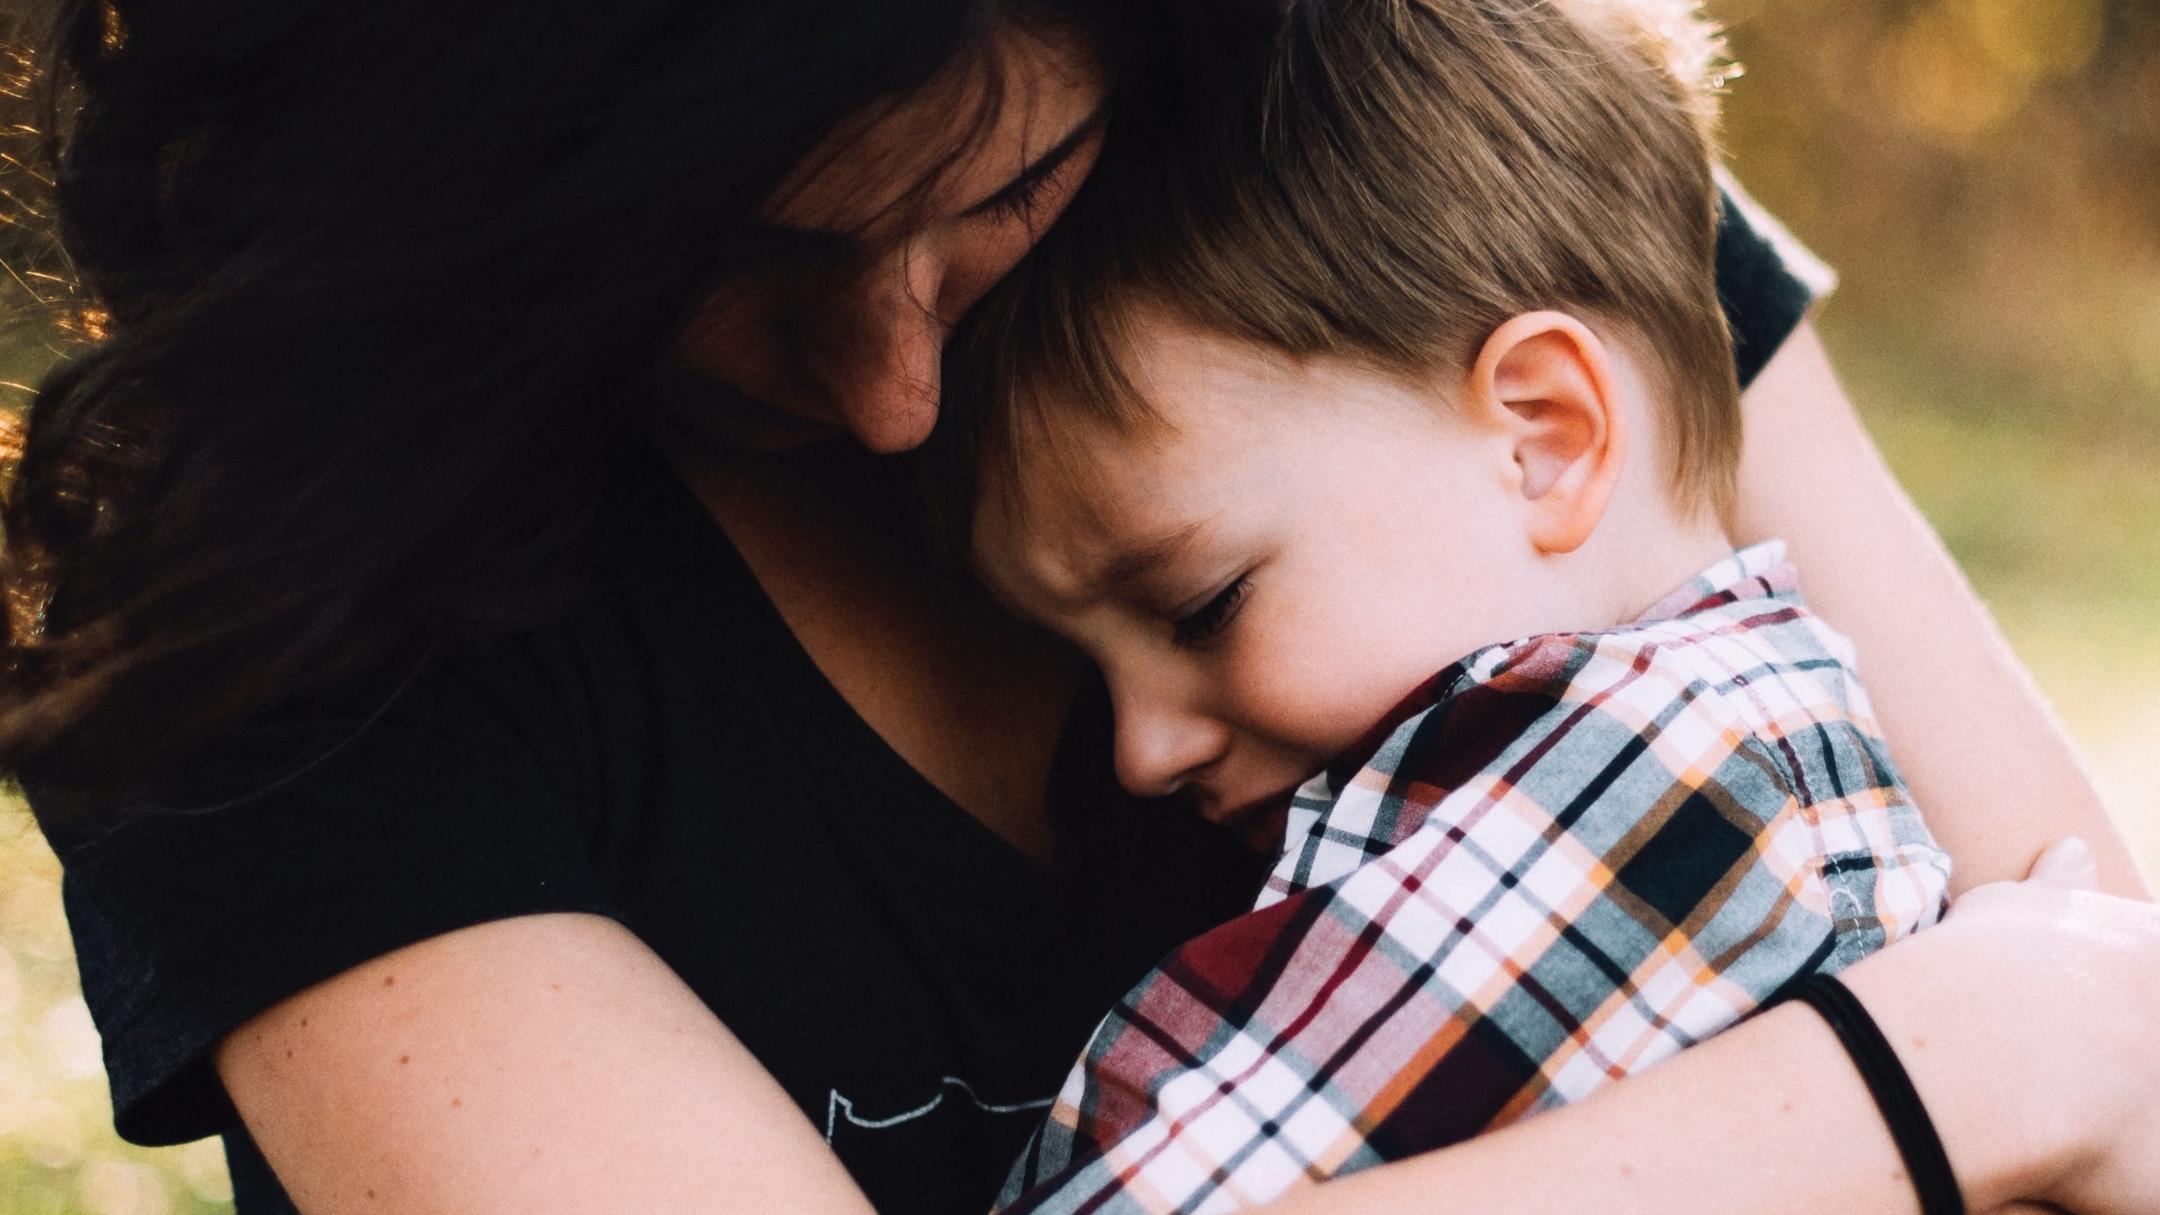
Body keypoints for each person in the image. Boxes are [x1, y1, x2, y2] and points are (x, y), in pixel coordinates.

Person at [0, 2, 2152, 1214]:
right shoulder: (278, 594)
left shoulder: (1445, 196)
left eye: (995, 198)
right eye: (724, 263)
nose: (892, 393)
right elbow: (2075, 1029)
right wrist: (1928, 1077)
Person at [932, 1, 1955, 1207]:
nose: (1138, 751)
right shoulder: (1751, 728)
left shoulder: (1645, 783)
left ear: (1543, 440)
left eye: (1203, 607)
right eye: (1084, 664)